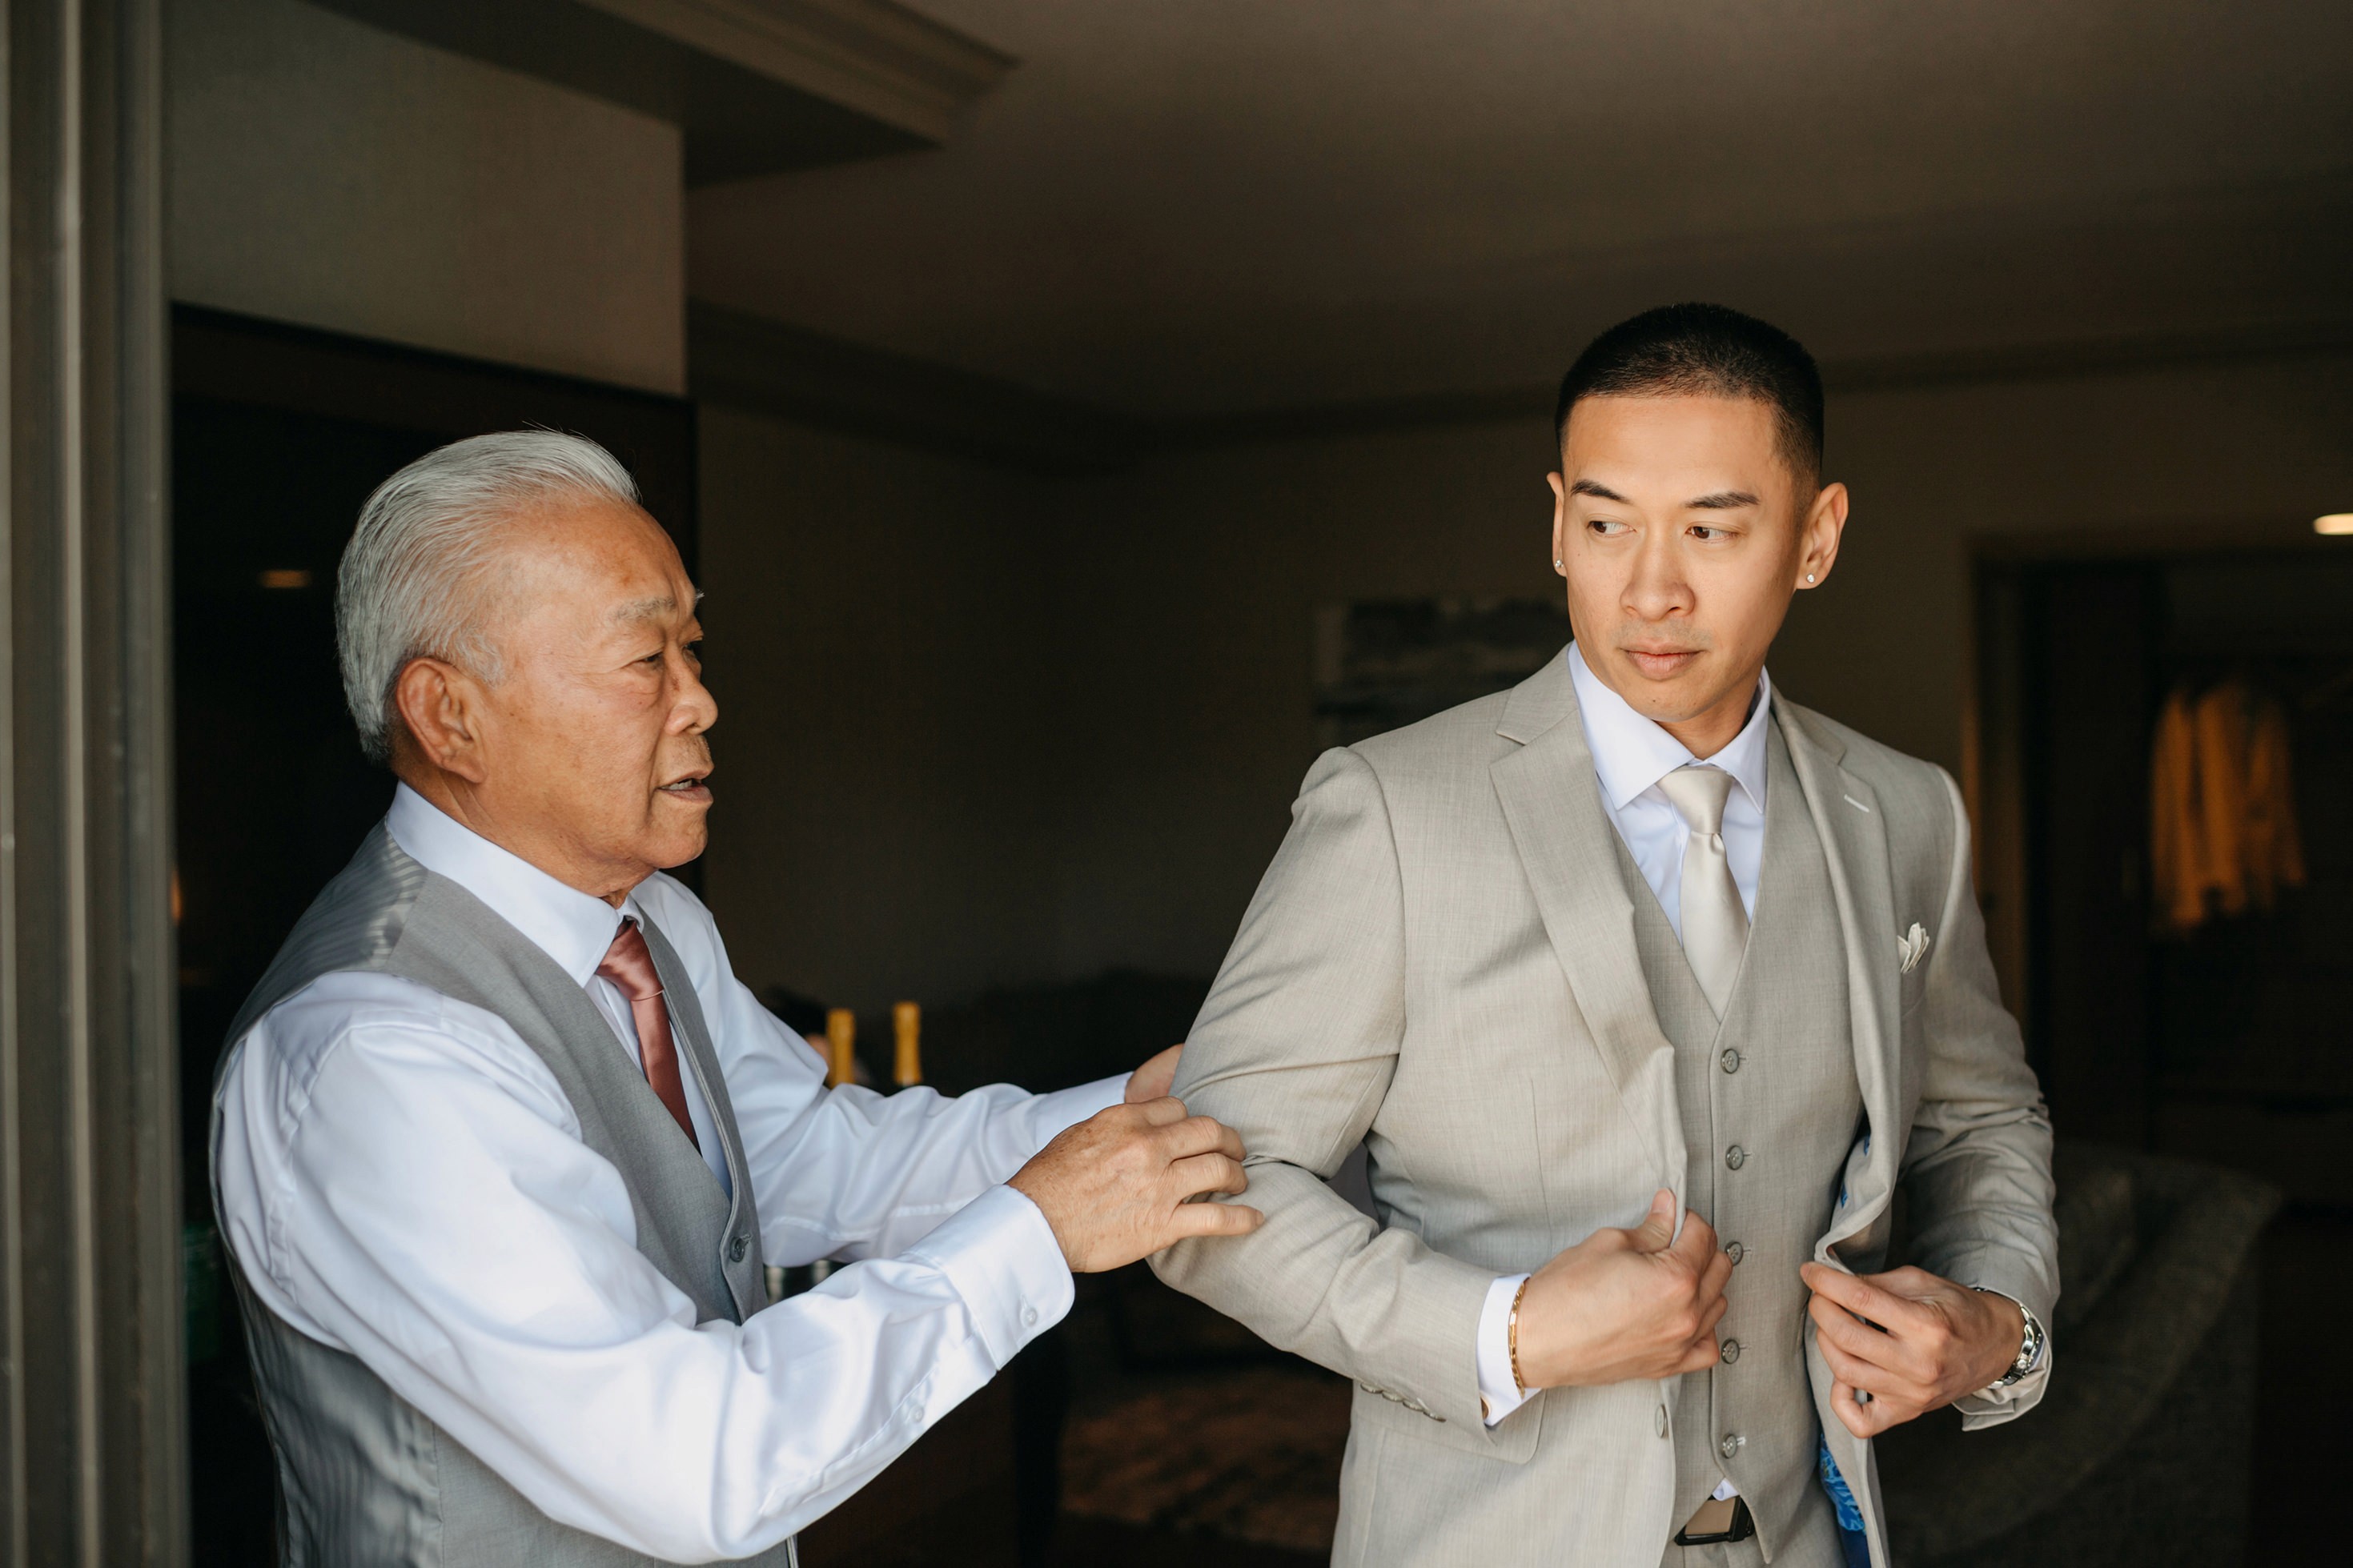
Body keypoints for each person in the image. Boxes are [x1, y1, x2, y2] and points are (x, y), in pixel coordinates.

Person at [210, 431, 1263, 1566]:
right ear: (449, 715)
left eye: (693, 650)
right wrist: (1039, 1232)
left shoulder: (652, 922)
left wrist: (1124, 1119)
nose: (701, 701)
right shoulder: (373, 1053)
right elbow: (693, 1463)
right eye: (644, 661)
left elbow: (807, 1157)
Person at [1151, 304, 2057, 1567]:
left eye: (1712, 528)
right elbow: (1206, 1192)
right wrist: (1504, 1334)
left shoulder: (1908, 815)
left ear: (1816, 537)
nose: (1651, 586)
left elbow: (1980, 1118)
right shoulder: (1393, 807)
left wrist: (1997, 1319)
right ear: (1558, 524)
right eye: (1605, 521)